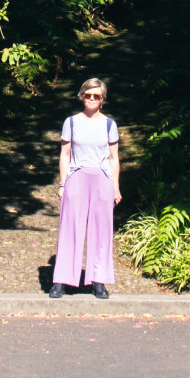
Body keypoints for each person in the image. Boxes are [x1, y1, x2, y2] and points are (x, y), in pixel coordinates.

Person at [49, 77, 121, 299]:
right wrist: (62, 183)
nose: (91, 99)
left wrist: (116, 188)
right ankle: (61, 281)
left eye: (96, 96)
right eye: (88, 95)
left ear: (102, 100)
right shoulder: (71, 122)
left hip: (101, 180)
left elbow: (114, 158)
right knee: (70, 229)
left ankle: (98, 281)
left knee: (101, 232)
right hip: (77, 177)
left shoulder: (109, 124)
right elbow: (65, 154)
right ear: (82, 96)